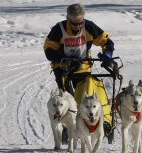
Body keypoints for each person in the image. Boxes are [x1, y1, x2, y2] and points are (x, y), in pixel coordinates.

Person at [44, 3, 115, 143]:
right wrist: (64, 61)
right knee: (64, 97)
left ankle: (104, 120)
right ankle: (67, 128)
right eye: (74, 23)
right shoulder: (58, 30)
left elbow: (106, 41)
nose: (77, 26)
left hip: (82, 68)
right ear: (68, 19)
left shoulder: (89, 27)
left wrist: (107, 54)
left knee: (88, 93)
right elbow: (49, 50)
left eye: (80, 23)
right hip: (62, 69)